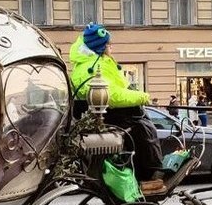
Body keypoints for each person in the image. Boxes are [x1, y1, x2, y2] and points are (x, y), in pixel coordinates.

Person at [68, 23, 166, 195]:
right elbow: (111, 95)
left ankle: (149, 173)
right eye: (108, 44)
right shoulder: (93, 66)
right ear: (101, 47)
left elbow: (116, 88)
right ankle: (150, 176)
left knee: (143, 122)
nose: (111, 47)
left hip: (104, 112)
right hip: (108, 114)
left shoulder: (94, 61)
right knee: (145, 130)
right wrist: (142, 96)